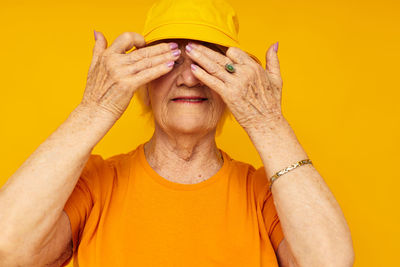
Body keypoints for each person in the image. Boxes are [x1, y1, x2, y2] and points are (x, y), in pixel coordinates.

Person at [0, 0, 355, 266]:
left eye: (206, 61)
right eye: (170, 59)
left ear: (237, 81)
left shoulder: (263, 194)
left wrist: (268, 122)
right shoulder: (96, 183)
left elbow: (331, 262)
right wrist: (94, 109)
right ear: (142, 75)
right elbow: (6, 245)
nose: (188, 78)